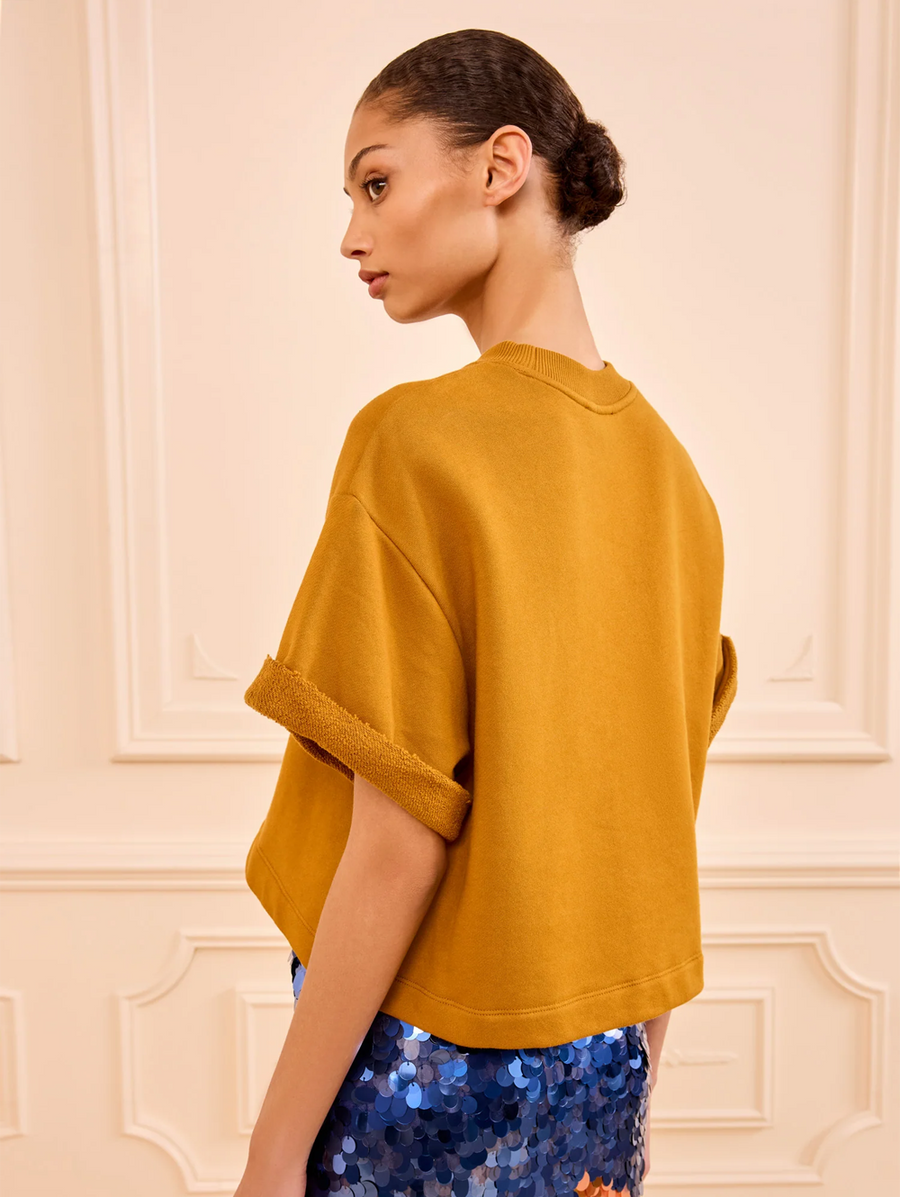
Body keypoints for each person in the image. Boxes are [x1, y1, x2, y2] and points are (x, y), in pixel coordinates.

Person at [235, 27, 737, 1197]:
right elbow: (655, 837)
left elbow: (395, 844)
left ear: (501, 166)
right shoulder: (676, 482)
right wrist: (621, 1111)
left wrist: (273, 1153)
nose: (351, 234)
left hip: (419, 1073)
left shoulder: (414, 442)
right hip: (602, 1073)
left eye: (375, 182)